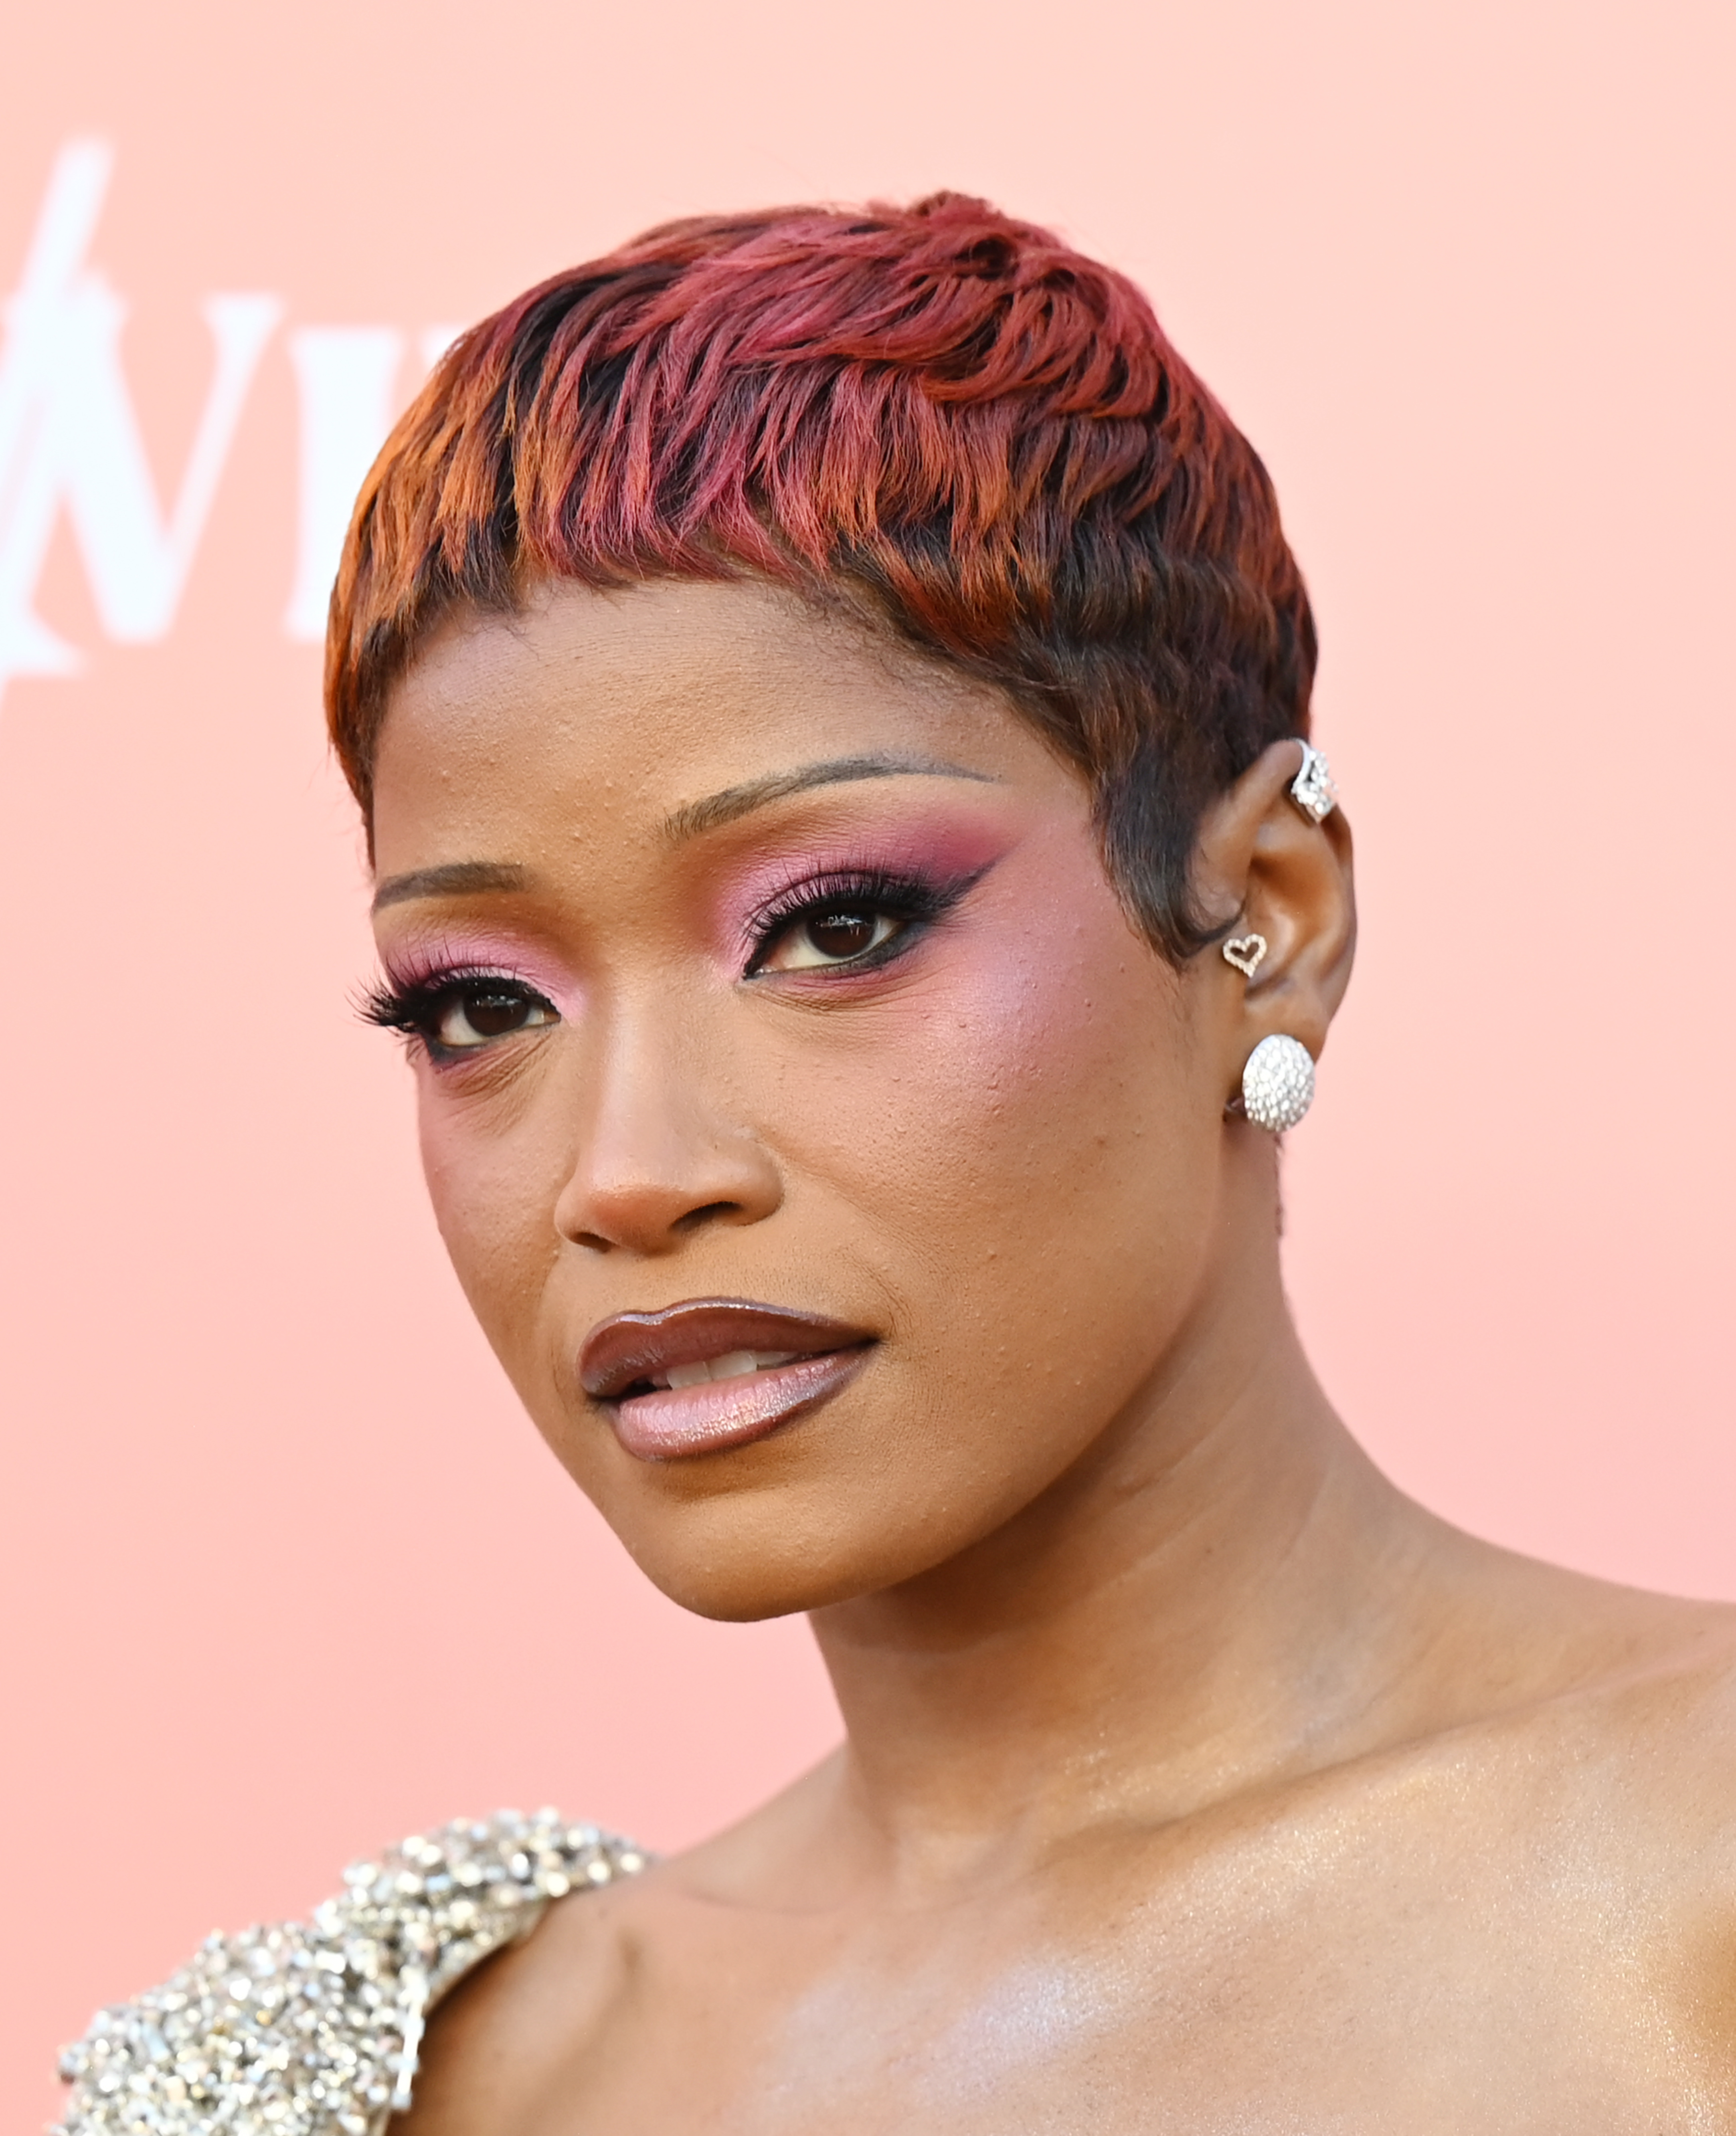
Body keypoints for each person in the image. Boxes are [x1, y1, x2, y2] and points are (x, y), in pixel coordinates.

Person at [59, 194, 1736, 2135]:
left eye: (833, 928)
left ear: (1262, 913)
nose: (625, 1172)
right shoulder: (362, 2085)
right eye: (477, 1007)